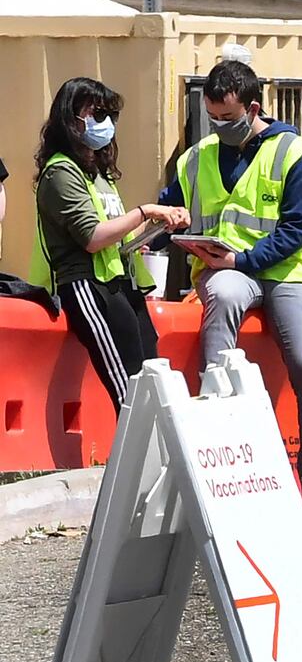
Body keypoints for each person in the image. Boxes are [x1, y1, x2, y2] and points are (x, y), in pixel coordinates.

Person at [158, 59, 302, 506]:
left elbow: (296, 231)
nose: (219, 126)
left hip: (290, 273)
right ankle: (218, 452)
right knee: (219, 305)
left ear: (254, 108)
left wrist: (244, 258)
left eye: (228, 118)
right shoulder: (196, 158)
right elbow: (172, 208)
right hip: (228, 274)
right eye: (213, 117)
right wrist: (170, 224)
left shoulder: (294, 154)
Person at [29, 77, 187, 411]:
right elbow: (92, 237)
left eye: (111, 117)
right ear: (72, 118)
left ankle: (157, 459)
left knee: (152, 374)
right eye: (98, 114)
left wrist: (149, 230)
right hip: (87, 287)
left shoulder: (98, 171)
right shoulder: (61, 173)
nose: (107, 124)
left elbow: (115, 233)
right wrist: (144, 212)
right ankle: (134, 462)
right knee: (128, 390)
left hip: (120, 283)